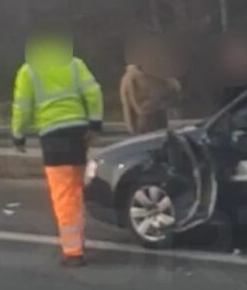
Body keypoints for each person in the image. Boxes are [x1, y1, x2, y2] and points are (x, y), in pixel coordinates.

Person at [11, 31, 103, 266]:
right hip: (78, 132)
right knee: (76, 189)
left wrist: (18, 135)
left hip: (53, 136)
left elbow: (22, 107)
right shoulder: (74, 64)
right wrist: (95, 123)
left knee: (63, 193)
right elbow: (93, 92)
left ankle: (73, 250)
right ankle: (80, 238)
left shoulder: (28, 71)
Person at [119, 32, 182, 133]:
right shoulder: (133, 77)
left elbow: (174, 87)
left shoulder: (156, 72)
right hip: (145, 121)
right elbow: (133, 104)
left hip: (155, 118)